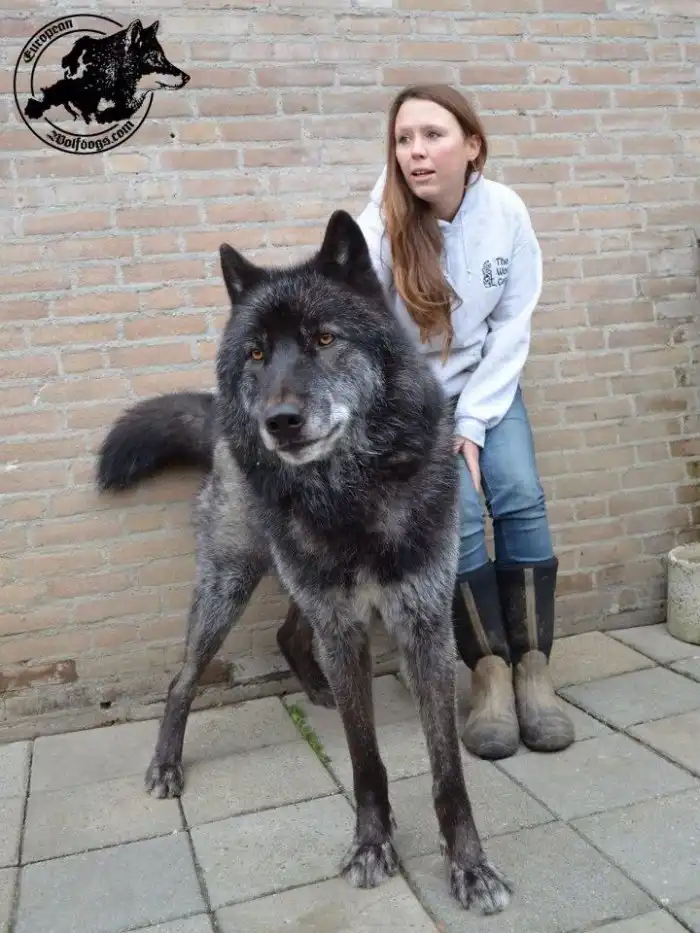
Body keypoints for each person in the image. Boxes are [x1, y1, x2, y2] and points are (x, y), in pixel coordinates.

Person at [354, 84, 574, 760]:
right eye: (403, 139)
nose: (415, 152)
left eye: (433, 135)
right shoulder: (378, 226)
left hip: (488, 385)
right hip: (411, 401)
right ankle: (489, 674)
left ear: (472, 146)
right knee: (464, 520)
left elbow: (513, 324)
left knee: (519, 493)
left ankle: (533, 668)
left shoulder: (505, 211)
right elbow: (361, 336)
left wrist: (473, 421)